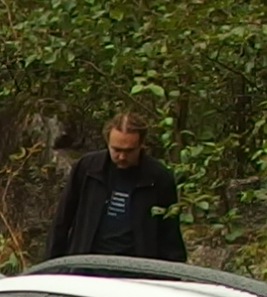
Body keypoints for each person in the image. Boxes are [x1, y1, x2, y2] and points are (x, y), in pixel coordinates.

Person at [45, 108, 188, 263]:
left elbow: (170, 234)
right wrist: (52, 265)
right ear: (108, 142)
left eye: (129, 151)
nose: (122, 156)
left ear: (141, 145)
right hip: (86, 265)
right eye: (116, 149)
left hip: (136, 271)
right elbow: (62, 220)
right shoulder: (88, 168)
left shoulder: (158, 177)